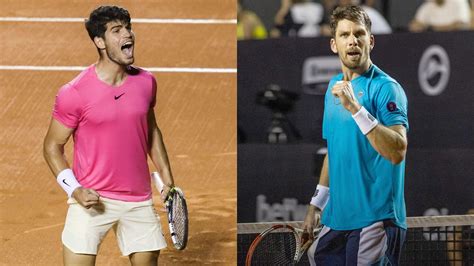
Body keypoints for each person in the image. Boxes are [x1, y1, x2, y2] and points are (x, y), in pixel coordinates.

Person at [43, 5, 174, 266]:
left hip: (138, 201)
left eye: (128, 27)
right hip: (92, 199)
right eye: (117, 30)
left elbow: (151, 129)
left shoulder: (146, 82)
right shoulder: (75, 92)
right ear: (99, 41)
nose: (127, 34)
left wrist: (167, 175)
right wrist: (74, 189)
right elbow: (51, 147)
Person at [303, 5, 409, 265]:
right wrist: (316, 205)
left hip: (374, 218)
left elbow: (397, 151)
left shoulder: (387, 88)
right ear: (333, 44)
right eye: (345, 35)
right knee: (314, 255)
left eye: (359, 34)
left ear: (370, 41)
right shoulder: (333, 88)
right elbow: (333, 151)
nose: (353, 40)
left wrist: (356, 109)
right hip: (337, 218)